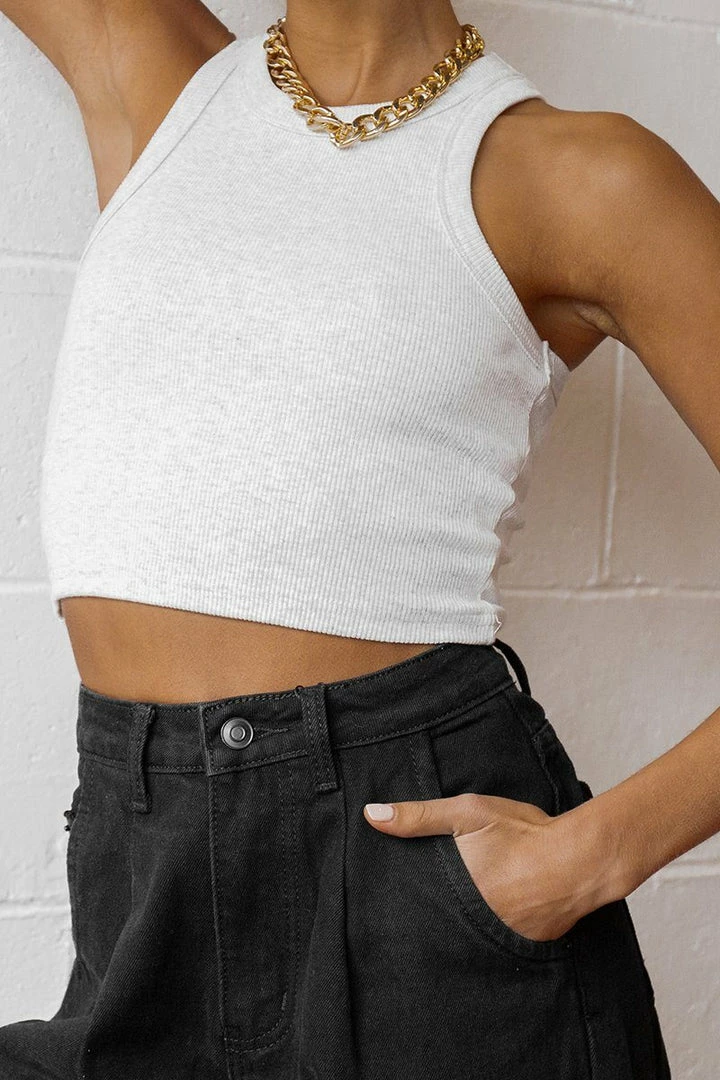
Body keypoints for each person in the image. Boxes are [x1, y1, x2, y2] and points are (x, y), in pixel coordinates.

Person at [0, 0, 718, 1076]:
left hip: (410, 874)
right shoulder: (154, 75)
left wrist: (583, 860)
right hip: (139, 862)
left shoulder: (577, 176)